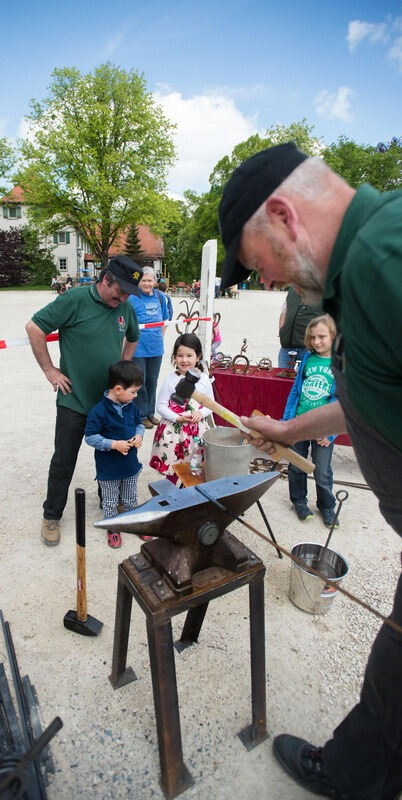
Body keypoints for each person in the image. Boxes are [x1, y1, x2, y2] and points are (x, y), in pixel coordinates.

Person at [218, 142, 402, 800]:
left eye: (256, 263)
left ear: (284, 215)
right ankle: (356, 776)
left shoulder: (386, 260)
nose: (264, 282)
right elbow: (364, 391)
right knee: (394, 676)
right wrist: (288, 430)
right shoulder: (360, 278)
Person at [25, 255, 142, 547]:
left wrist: (123, 368)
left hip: (110, 405)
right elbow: (34, 328)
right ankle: (51, 515)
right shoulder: (75, 299)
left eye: (129, 293)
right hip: (74, 401)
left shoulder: (124, 308)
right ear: (106, 280)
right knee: (63, 460)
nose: (124, 298)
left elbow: (133, 336)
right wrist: (50, 370)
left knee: (114, 454)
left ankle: (110, 503)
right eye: (121, 291)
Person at [283, 314, 338, 526]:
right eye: (313, 337)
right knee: (296, 465)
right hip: (299, 423)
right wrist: (286, 423)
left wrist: (331, 433)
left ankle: (326, 506)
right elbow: (296, 392)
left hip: (323, 428)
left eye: (322, 336)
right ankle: (298, 500)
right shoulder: (307, 357)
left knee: (322, 469)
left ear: (334, 336)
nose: (316, 341)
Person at [84, 361, 146, 549]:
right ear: (118, 389)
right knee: (110, 501)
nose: (135, 396)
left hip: (130, 465)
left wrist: (138, 436)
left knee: (130, 498)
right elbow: (90, 437)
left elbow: (139, 424)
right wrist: (113, 444)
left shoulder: (130, 406)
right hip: (109, 469)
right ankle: (113, 526)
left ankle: (132, 520)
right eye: (133, 392)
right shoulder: (99, 412)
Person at [149, 333, 214, 483]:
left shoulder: (204, 379)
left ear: (198, 357)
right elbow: (161, 405)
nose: (184, 360)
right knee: (173, 467)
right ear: (174, 357)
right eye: (180, 355)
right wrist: (176, 417)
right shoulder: (171, 379)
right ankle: (170, 496)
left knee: (195, 468)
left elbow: (211, 404)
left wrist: (201, 412)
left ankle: (192, 495)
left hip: (196, 432)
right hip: (173, 431)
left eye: (189, 355)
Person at [129, 267, 169, 430]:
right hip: (138, 348)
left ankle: (151, 413)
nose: (146, 283)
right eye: (143, 280)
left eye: (149, 280)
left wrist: (160, 338)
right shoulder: (132, 298)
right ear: (139, 282)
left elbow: (165, 320)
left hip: (156, 348)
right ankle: (141, 415)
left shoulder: (160, 297)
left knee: (152, 381)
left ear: (155, 282)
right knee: (141, 382)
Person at [278, 286, 322, 368]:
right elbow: (284, 311)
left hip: (309, 350)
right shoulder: (292, 290)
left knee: (307, 379)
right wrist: (282, 332)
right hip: (286, 349)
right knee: (282, 379)